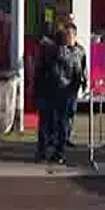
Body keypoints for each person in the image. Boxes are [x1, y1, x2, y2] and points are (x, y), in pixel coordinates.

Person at [54, 23, 88, 158]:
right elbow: (57, 68)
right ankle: (60, 142)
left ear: (74, 35)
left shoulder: (80, 50)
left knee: (71, 113)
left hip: (74, 87)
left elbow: (83, 66)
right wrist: (60, 81)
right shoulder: (61, 49)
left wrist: (84, 81)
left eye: (68, 34)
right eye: (65, 35)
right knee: (62, 116)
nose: (66, 37)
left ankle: (67, 136)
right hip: (63, 87)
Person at [33, 31, 61, 163]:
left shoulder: (46, 54)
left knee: (44, 123)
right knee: (52, 122)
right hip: (53, 92)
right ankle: (51, 149)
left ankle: (43, 151)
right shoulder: (57, 52)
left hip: (45, 91)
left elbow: (38, 73)